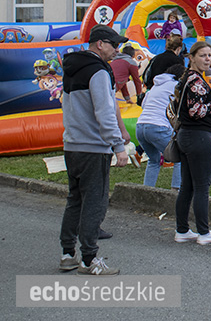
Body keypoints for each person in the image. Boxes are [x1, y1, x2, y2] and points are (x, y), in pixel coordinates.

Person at [59, 25, 130, 276]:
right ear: (99, 44)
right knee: (95, 203)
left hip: (72, 144)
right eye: (113, 45)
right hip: (93, 147)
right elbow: (104, 111)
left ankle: (68, 253)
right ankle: (89, 259)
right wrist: (118, 146)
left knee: (75, 200)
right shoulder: (99, 71)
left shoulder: (71, 68)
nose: (116, 50)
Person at [175, 41, 211, 245]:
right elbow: (196, 111)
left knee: (187, 186)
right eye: (203, 55)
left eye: (210, 55)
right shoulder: (196, 81)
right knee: (201, 186)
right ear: (192, 58)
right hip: (198, 136)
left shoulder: (188, 79)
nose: (208, 59)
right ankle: (204, 233)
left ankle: (182, 230)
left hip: (186, 135)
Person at [136, 64, 186, 190]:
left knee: (154, 160)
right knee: (180, 156)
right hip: (158, 126)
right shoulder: (176, 86)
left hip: (141, 125)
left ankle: (147, 190)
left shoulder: (154, 87)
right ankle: (176, 190)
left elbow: (144, 105)